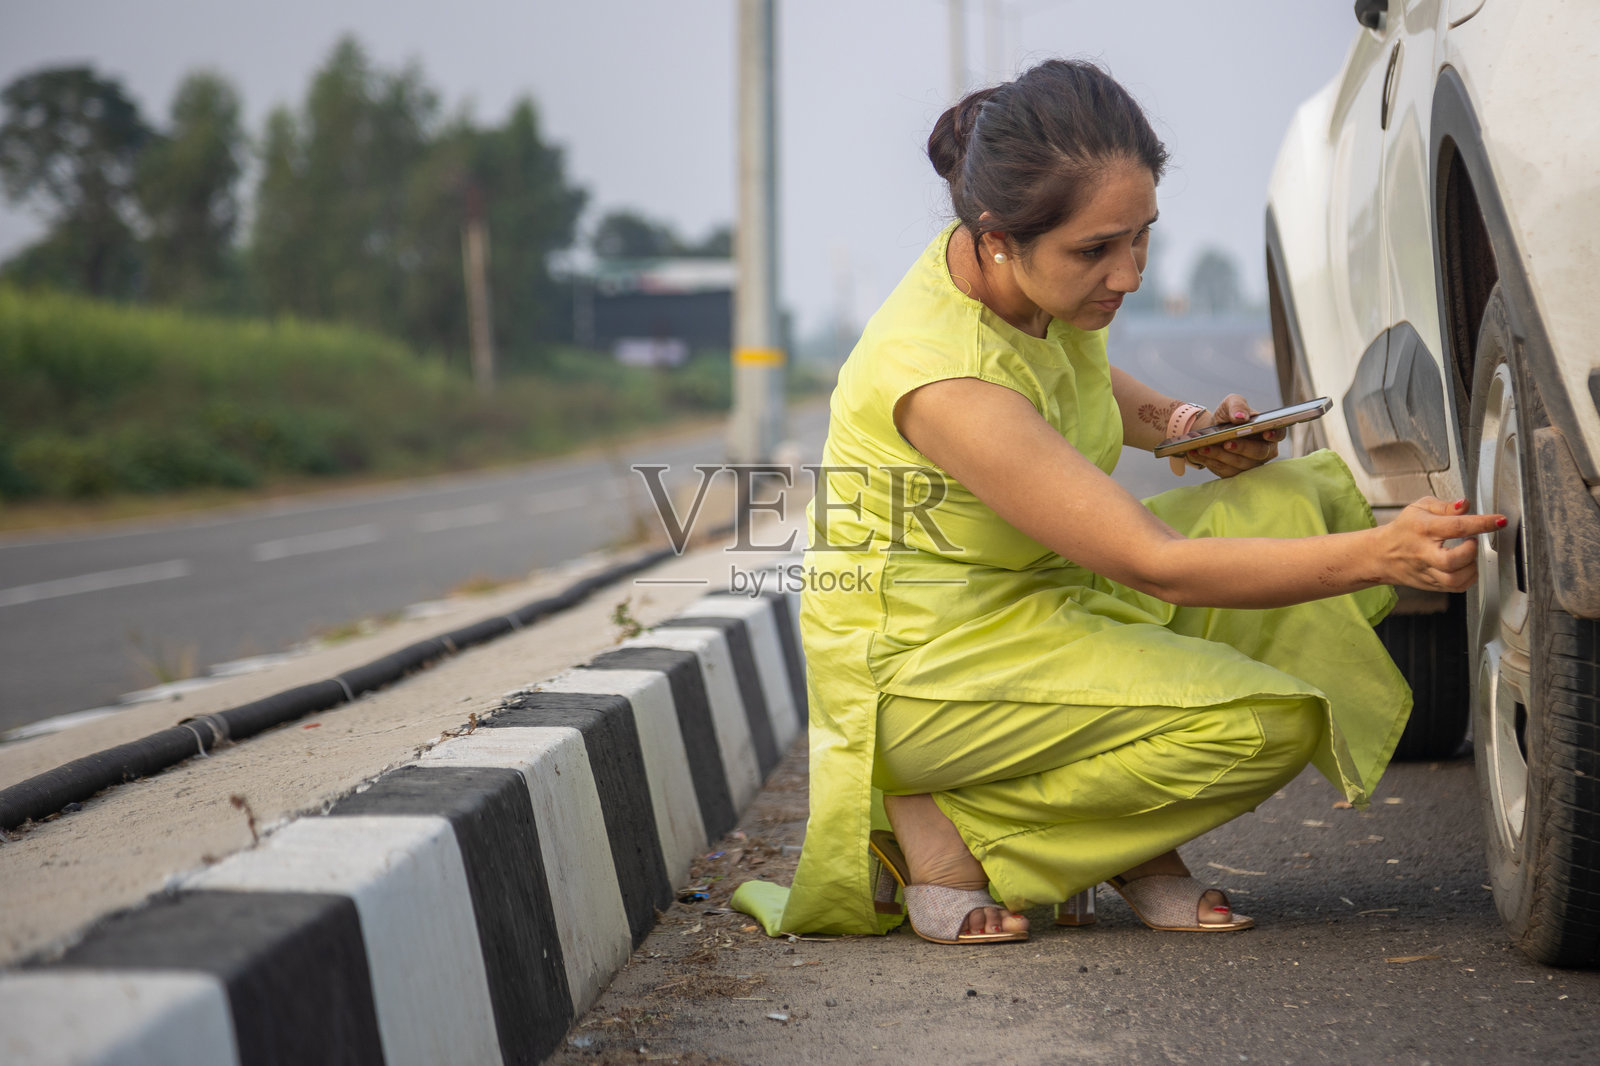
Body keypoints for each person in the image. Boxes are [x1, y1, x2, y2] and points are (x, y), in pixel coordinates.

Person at [729, 59, 1500, 945]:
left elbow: (1073, 379)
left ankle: (1099, 824)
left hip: (1041, 606)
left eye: (1141, 237)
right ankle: (977, 831)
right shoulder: (943, 378)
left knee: (1290, 495)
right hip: (930, 670)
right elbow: (1152, 563)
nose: (1129, 274)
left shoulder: (1015, 280)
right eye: (1096, 250)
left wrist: (1184, 424)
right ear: (997, 239)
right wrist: (1382, 556)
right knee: (1265, 726)